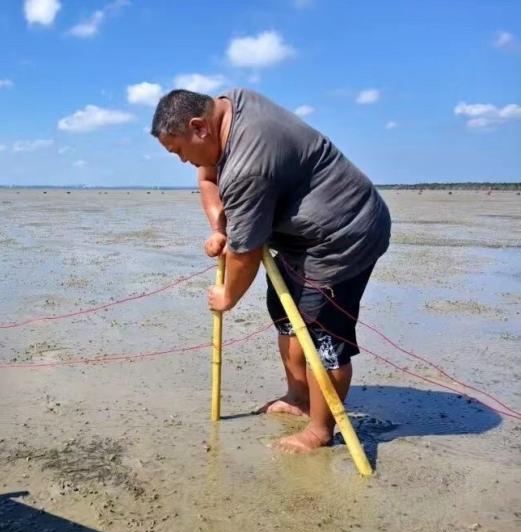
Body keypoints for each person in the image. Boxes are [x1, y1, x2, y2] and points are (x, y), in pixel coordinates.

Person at [151, 88, 390, 453]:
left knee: (322, 337)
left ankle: (319, 431)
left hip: (344, 237)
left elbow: (245, 253)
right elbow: (207, 176)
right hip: (301, 239)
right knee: (284, 311)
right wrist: (220, 228)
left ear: (199, 127)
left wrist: (226, 297)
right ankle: (299, 397)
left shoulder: (248, 166)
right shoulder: (228, 104)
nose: (182, 161)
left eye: (179, 151)